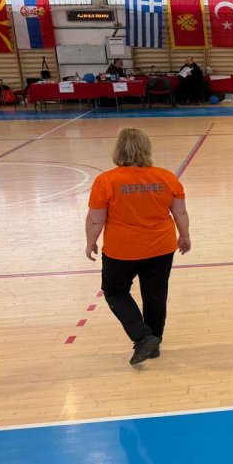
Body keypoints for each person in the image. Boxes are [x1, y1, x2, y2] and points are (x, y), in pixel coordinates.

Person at [85, 128, 191, 365]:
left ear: (118, 150)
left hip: (122, 250)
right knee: (155, 295)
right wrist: (184, 236)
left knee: (115, 291)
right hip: (161, 247)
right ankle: (153, 343)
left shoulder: (106, 180)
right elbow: (180, 213)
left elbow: (95, 219)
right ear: (147, 149)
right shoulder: (167, 177)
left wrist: (91, 241)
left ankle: (143, 337)